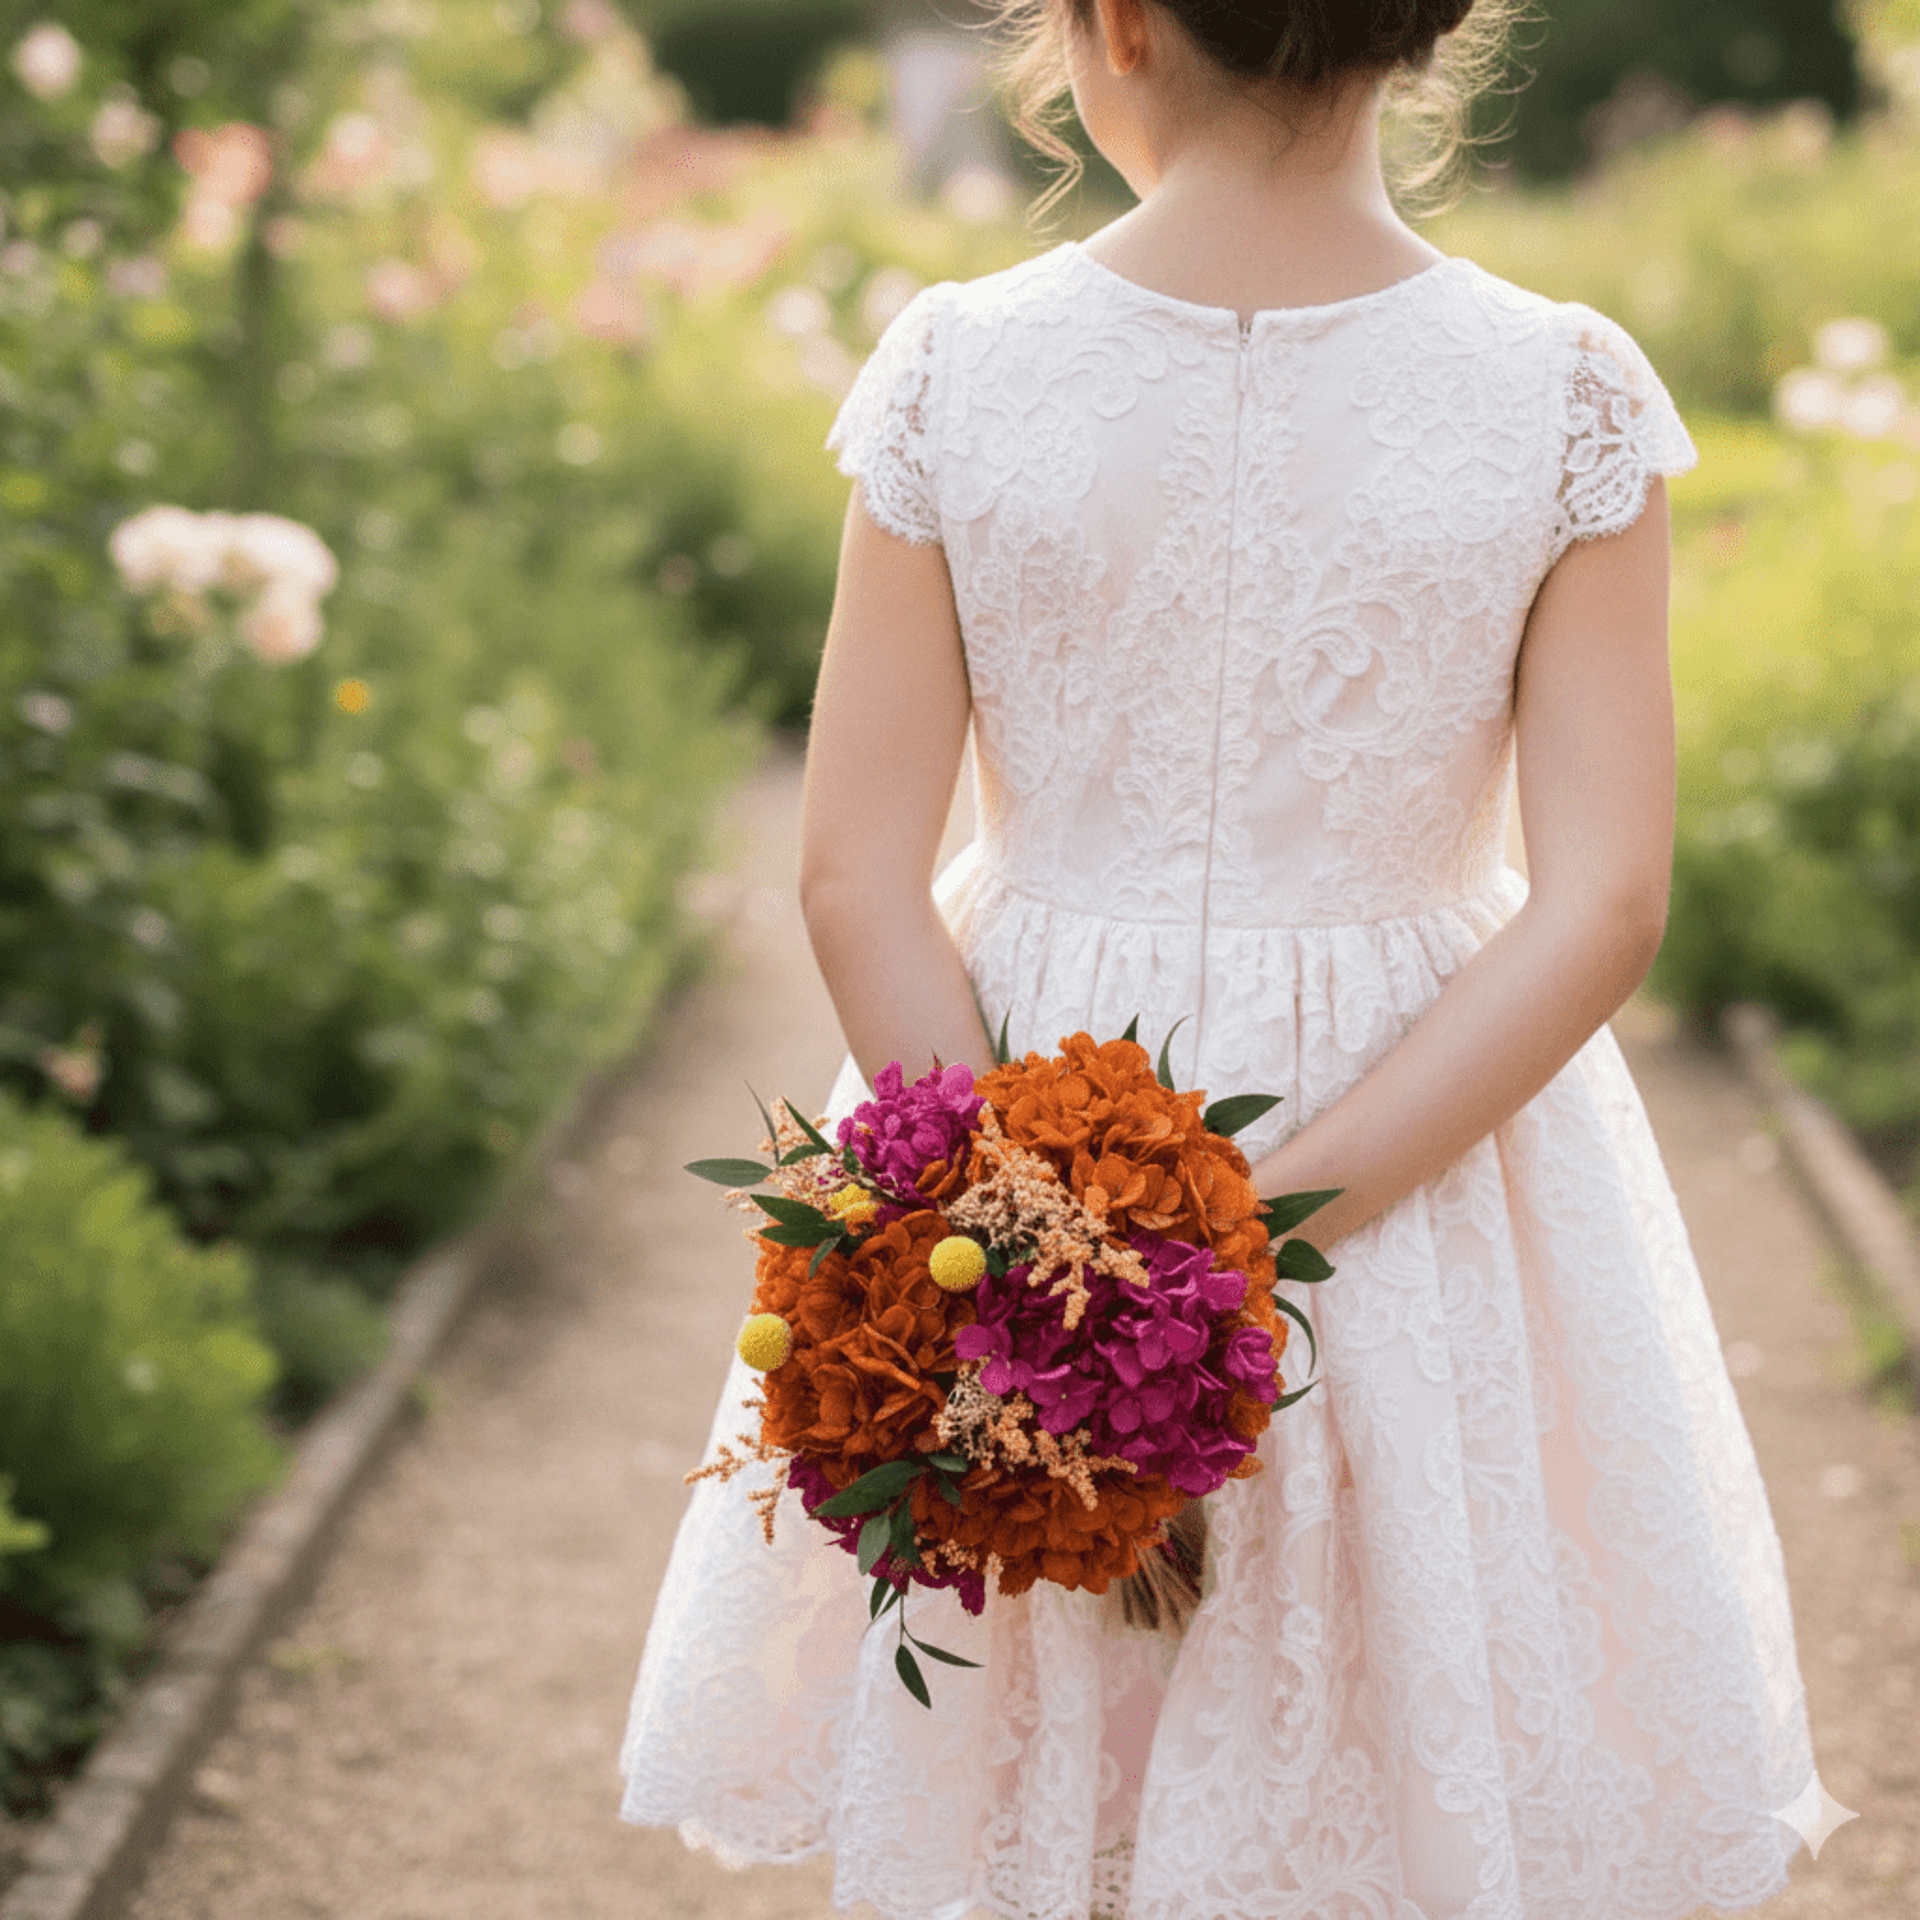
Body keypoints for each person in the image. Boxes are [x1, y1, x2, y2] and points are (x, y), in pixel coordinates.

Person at [620, 1, 1826, 1913]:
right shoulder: (1564, 388)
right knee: (1400, 1724)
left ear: (1112, 23)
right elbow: (1603, 904)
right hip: (1422, 1141)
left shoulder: (956, 366)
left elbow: (855, 879)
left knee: (1041, 1751)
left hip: (1017, 1094)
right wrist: (1246, 1234)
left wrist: (1032, 1253)